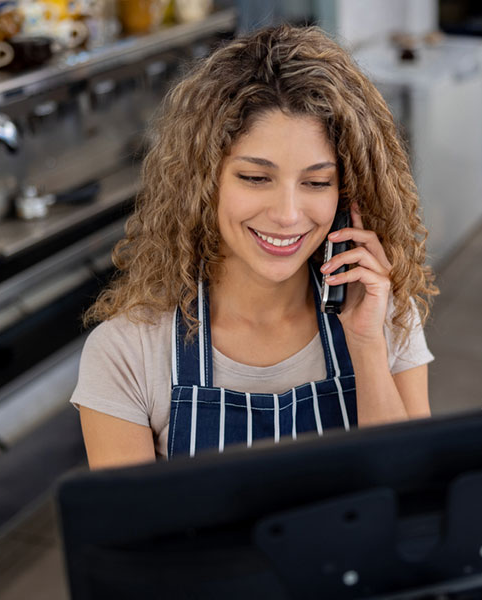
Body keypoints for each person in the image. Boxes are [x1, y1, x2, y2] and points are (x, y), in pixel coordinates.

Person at [70, 25, 437, 469]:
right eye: (255, 178)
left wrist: (366, 348)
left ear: (347, 195)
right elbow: (130, 536)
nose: (287, 214)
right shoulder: (127, 351)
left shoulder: (388, 321)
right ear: (203, 183)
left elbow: (414, 496)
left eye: (317, 182)